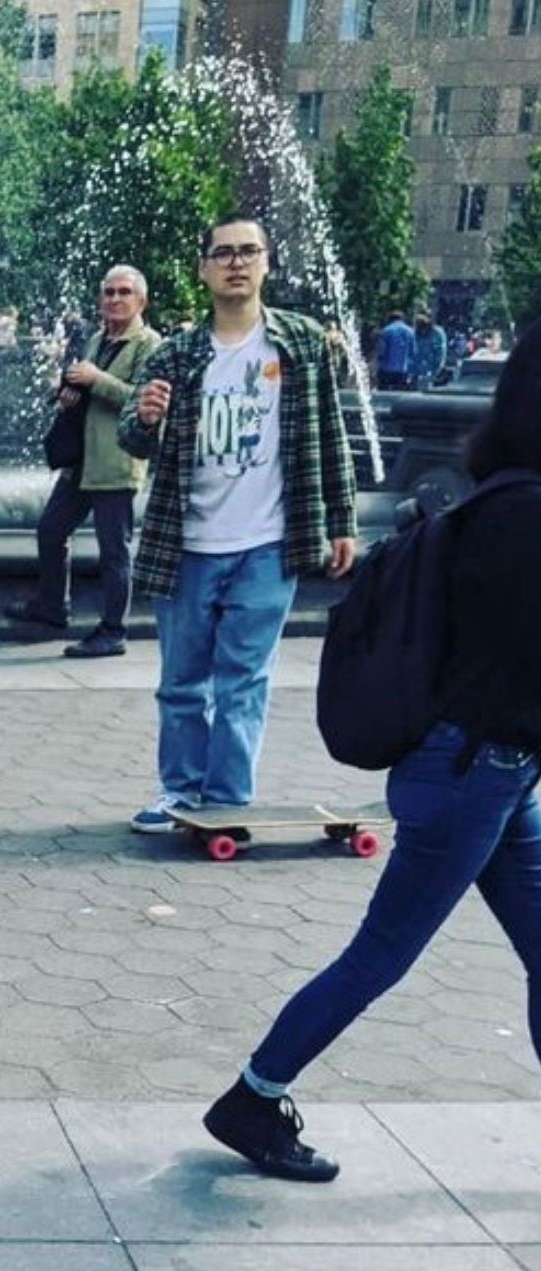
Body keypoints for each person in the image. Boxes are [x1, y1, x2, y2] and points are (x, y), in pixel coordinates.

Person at [202, 320, 541, 1181]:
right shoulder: (524, 515)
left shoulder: (503, 494)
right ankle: (252, 1095)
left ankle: (254, 1093)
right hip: (474, 772)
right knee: (381, 953)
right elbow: (510, 669)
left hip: (491, 772)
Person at [117, 214, 357, 831]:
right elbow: (132, 439)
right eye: (223, 253)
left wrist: (342, 519)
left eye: (249, 251)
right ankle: (179, 793)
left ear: (266, 263)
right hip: (188, 542)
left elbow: (332, 434)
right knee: (181, 683)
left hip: (268, 544)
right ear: (204, 269)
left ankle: (225, 801)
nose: (237, 262)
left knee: (244, 681)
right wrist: (144, 417)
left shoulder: (300, 343)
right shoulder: (177, 351)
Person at [4, 263, 160, 658]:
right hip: (81, 462)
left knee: (114, 551)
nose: (115, 299)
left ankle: (113, 630)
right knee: (51, 531)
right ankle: (53, 606)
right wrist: (68, 393)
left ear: (141, 299)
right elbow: (86, 389)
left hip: (117, 461)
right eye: (109, 292)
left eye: (124, 292)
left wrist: (95, 380)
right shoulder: (96, 339)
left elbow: (145, 400)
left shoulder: (150, 344)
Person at [373, 308, 416, 392]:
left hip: (386, 370)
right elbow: (413, 352)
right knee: (399, 394)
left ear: (389, 319)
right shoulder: (410, 332)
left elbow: (381, 351)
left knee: (383, 394)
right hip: (403, 370)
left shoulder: (386, 331)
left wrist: (376, 364)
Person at [411, 309, 446, 391]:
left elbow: (440, 354)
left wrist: (435, 372)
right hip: (413, 372)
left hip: (428, 372)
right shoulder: (414, 332)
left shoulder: (437, 332)